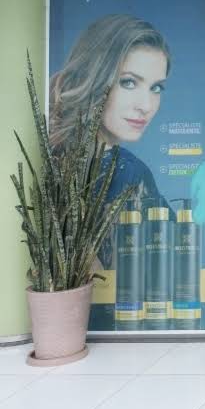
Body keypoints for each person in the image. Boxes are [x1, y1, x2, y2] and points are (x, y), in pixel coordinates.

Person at [49, 14, 171, 266]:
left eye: (156, 88)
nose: (146, 105)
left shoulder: (57, 155)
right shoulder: (128, 172)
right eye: (128, 82)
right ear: (93, 78)